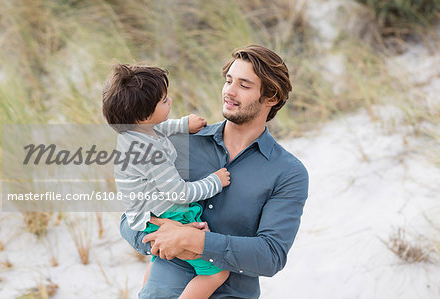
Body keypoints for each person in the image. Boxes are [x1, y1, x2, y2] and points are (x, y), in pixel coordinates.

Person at [120, 45, 309, 298]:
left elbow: (271, 255)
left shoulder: (287, 172)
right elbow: (128, 218)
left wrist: (194, 241)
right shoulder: (180, 143)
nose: (229, 91)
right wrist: (159, 235)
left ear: (271, 98)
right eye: (228, 80)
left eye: (244, 85)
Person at [102, 64, 230, 299]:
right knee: (216, 273)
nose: (169, 101)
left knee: (160, 258)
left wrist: (182, 125)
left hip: (144, 216)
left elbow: (157, 128)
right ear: (143, 115)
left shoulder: (132, 133)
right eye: (163, 101)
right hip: (167, 217)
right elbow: (179, 193)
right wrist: (215, 181)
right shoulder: (151, 154)